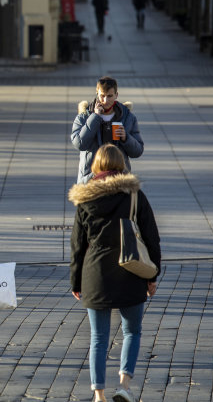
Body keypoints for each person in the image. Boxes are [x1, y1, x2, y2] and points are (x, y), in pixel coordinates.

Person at [68, 144, 161, 402]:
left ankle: (99, 394)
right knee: (131, 331)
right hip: (130, 271)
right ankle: (124, 385)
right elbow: (152, 238)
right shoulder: (134, 196)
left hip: (95, 274)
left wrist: (75, 281)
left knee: (98, 338)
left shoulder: (85, 199)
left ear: (95, 166)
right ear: (122, 165)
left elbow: (77, 246)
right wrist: (152, 275)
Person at [71, 76, 144, 184]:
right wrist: (95, 117)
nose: (105, 100)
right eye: (102, 96)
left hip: (118, 180)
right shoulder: (84, 116)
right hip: (91, 179)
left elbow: (137, 151)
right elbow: (79, 144)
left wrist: (126, 138)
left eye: (110, 96)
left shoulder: (128, 117)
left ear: (116, 95)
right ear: (97, 94)